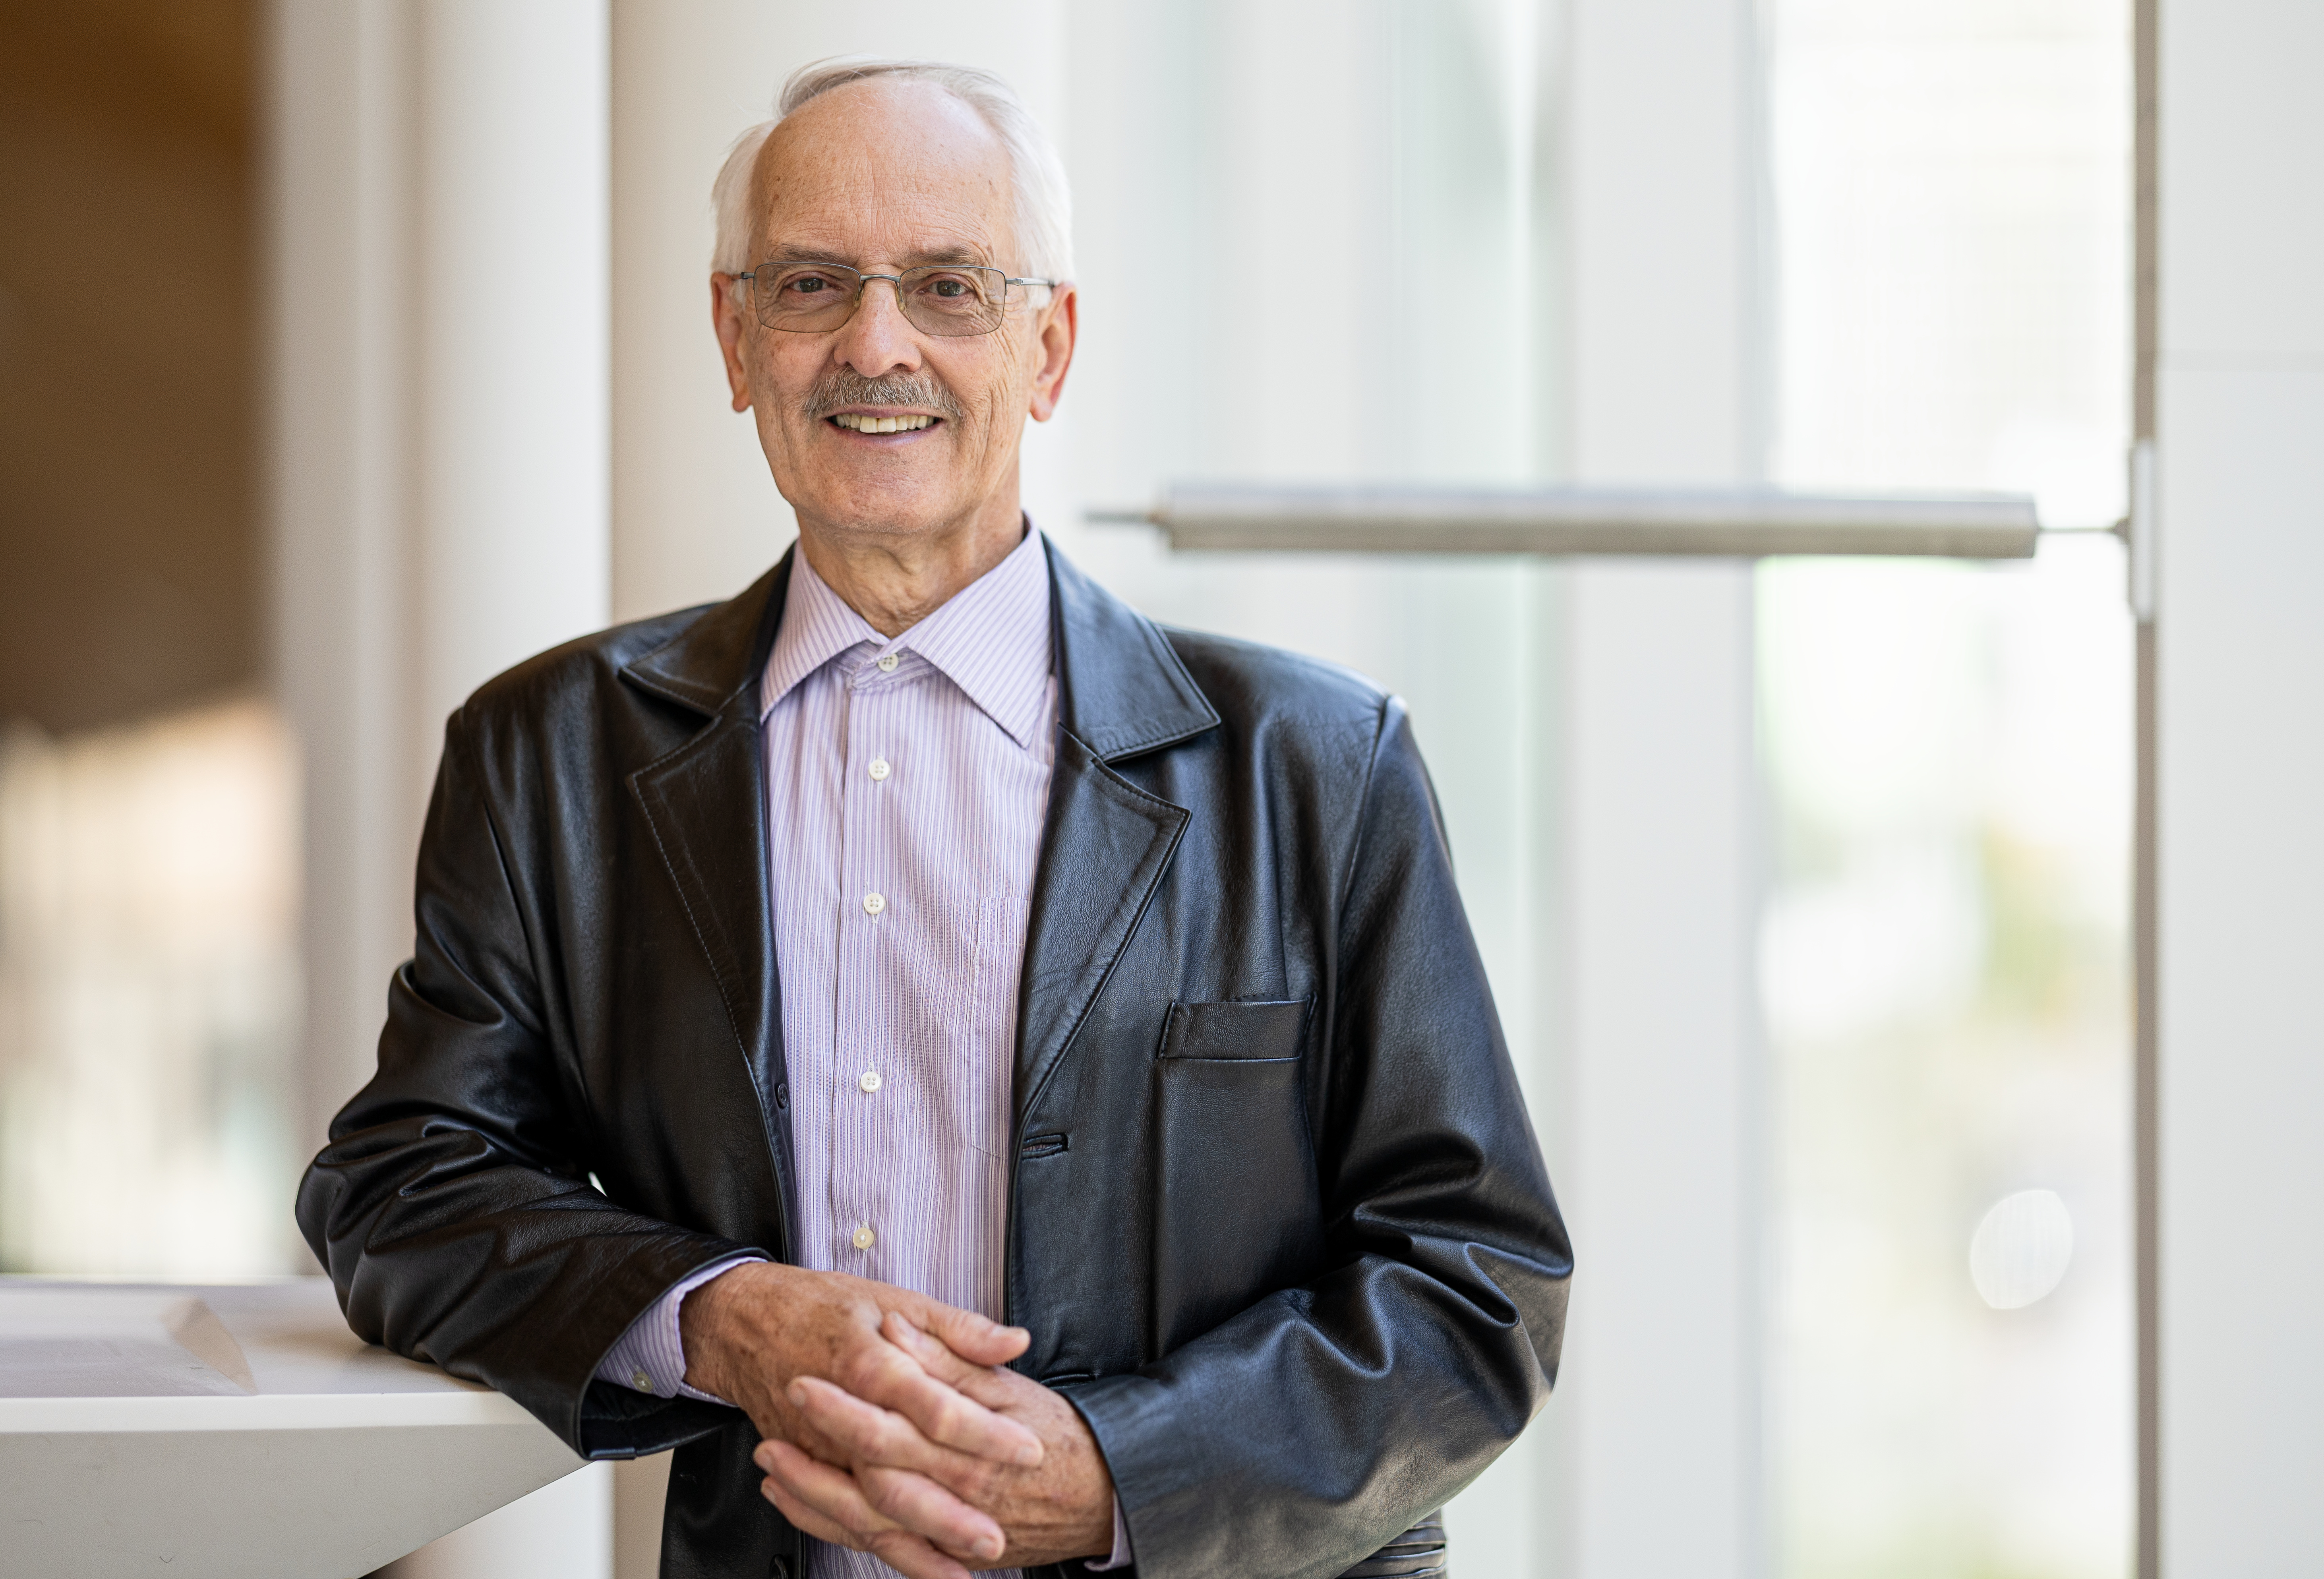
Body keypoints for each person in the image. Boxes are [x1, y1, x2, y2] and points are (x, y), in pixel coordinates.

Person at [298, 56, 1569, 1579]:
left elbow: (1476, 1288)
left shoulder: (1317, 762)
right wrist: (716, 1313)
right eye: (812, 284)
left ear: (1049, 347)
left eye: (951, 287)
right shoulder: (545, 752)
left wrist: (1113, 1475)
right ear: (734, 335)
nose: (874, 344)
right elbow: (402, 1185)